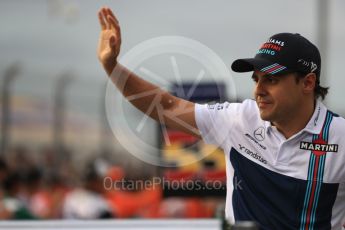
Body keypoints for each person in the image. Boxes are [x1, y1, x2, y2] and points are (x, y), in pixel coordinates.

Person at [97, 7, 345, 229]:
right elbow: (166, 106)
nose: (258, 89)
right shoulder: (238, 119)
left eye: (271, 79)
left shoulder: (340, 138)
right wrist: (113, 67)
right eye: (256, 79)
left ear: (308, 82)